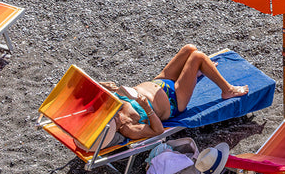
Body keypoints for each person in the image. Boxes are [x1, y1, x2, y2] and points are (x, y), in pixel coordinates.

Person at [100, 45, 248, 144]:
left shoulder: (113, 106)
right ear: (115, 128)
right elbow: (157, 131)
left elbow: (86, 88)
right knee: (198, 57)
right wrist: (146, 106)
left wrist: (105, 85)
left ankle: (197, 72)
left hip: (160, 82)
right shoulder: (129, 129)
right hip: (175, 99)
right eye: (113, 119)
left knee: (189, 49)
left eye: (110, 115)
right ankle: (228, 90)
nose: (114, 114)